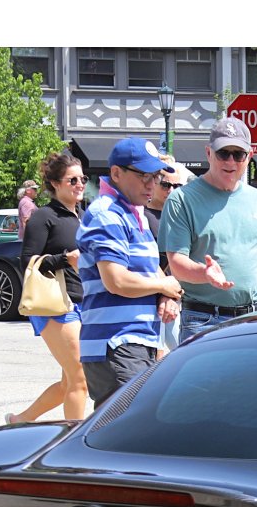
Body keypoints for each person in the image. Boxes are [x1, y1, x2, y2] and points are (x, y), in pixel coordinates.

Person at [77, 138, 185, 404]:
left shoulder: (133, 213)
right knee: (124, 431)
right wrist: (163, 287)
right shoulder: (107, 214)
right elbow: (116, 280)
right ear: (116, 173)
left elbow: (150, 272)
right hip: (117, 343)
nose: (152, 184)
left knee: (125, 431)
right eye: (144, 176)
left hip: (134, 341)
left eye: (156, 177)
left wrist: (167, 295)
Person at [160, 117, 257, 342]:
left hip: (254, 318)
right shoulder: (182, 199)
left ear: (249, 157)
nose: (231, 161)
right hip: (204, 319)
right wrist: (204, 274)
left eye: (238, 154)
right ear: (208, 153)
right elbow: (176, 263)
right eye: (223, 153)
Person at [5, 151, 88, 424]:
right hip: (54, 305)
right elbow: (27, 261)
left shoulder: (83, 216)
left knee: (69, 382)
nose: (79, 185)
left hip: (81, 303)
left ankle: (21, 420)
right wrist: (64, 259)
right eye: (72, 180)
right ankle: (74, 450)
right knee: (80, 378)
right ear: (55, 184)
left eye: (82, 179)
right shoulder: (44, 216)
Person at [143, 154, 192, 354]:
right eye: (165, 185)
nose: (171, 190)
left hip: (181, 296)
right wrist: (165, 293)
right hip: (153, 297)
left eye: (177, 186)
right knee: (160, 359)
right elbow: (146, 262)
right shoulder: (142, 216)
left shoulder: (182, 215)